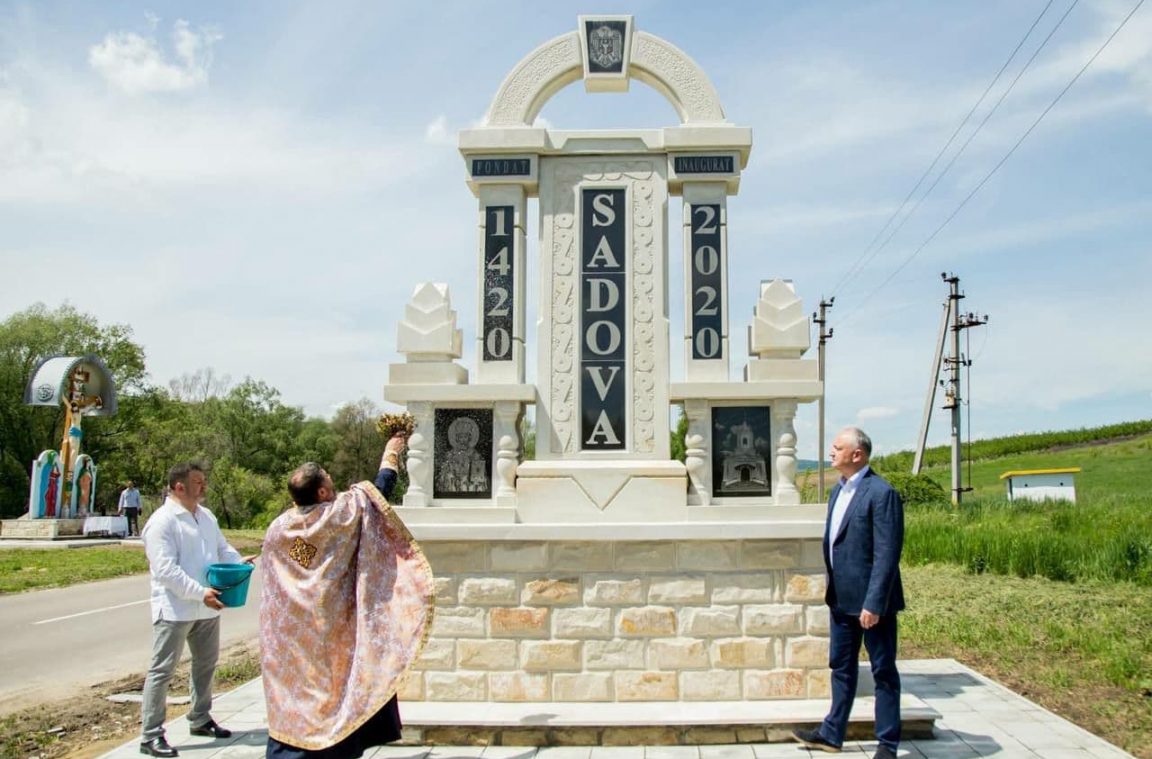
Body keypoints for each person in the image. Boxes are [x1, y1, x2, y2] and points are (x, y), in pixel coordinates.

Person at [260, 434, 434, 759]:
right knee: (336, 691)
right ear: (322, 492)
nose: (333, 482)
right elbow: (378, 493)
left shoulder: (279, 529)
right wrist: (391, 452)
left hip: (293, 637)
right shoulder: (337, 517)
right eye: (328, 478)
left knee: (298, 696)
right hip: (332, 630)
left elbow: (304, 563)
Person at [793, 426, 905, 759]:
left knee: (883, 671)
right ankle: (831, 734)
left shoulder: (881, 493)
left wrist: (875, 603)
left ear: (857, 454)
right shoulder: (837, 491)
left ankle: (887, 744)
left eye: (837, 447)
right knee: (840, 668)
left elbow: (887, 553)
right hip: (841, 600)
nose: (831, 452)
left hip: (872, 605)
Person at [139, 463, 255, 758]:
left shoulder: (206, 516)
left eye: (204, 481)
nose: (204, 486)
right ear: (179, 486)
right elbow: (165, 571)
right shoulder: (162, 522)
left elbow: (221, 549)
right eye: (198, 482)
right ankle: (151, 735)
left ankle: (200, 718)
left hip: (207, 605)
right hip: (176, 608)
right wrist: (199, 592)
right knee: (162, 670)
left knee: (206, 664)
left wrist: (238, 563)